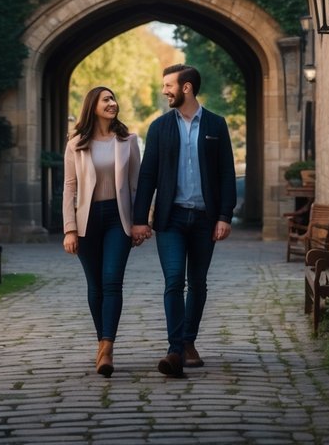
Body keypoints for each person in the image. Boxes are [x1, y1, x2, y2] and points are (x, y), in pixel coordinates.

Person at [132, 64, 237, 378]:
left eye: (168, 85)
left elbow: (226, 174)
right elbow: (147, 174)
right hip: (171, 218)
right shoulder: (160, 127)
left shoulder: (216, 125)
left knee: (199, 282)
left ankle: (189, 340)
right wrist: (140, 219)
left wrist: (224, 216)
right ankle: (176, 349)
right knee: (175, 280)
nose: (165, 91)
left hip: (205, 219)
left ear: (187, 87)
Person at [62, 86, 143, 377]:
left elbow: (137, 185)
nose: (113, 103)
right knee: (95, 286)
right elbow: (70, 187)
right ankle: (101, 342)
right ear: (92, 105)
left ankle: (108, 347)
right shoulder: (75, 143)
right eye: (106, 99)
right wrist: (70, 229)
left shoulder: (128, 141)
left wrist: (140, 221)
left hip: (117, 220)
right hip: (86, 222)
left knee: (112, 281)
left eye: (114, 98)